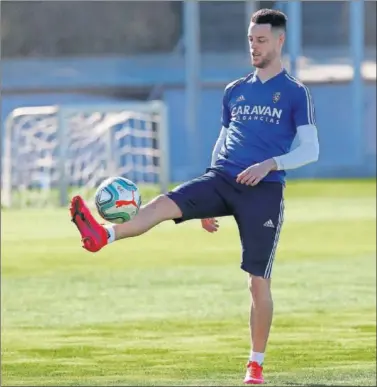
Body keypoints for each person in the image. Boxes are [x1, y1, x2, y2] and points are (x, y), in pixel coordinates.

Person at [70, 8, 319, 385]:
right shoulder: (235, 90)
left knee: (257, 282)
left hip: (263, 193)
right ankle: (102, 235)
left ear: (280, 40)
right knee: (158, 206)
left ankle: (255, 365)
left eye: (262, 40)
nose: (254, 46)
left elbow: (310, 150)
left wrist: (270, 164)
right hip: (220, 179)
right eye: (251, 39)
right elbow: (222, 143)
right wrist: (207, 198)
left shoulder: (295, 93)